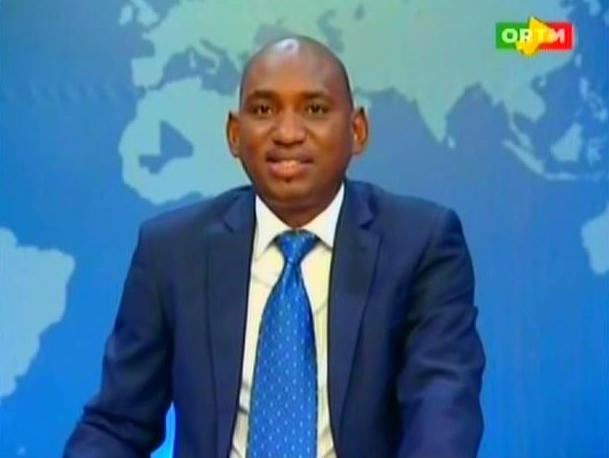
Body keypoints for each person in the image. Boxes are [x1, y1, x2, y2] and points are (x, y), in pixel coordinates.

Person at [64, 36, 485, 458]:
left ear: (357, 131)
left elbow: (441, 412)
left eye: (315, 109)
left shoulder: (421, 245)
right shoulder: (172, 251)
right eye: (264, 110)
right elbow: (117, 424)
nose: (287, 133)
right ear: (234, 134)